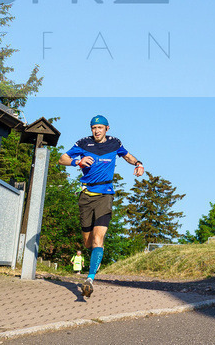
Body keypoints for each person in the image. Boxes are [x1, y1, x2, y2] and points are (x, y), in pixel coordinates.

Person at [59, 115, 144, 298]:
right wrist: (77, 161)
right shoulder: (83, 143)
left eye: (100, 127)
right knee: (88, 241)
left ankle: (89, 279)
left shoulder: (114, 144)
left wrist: (138, 164)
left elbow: (127, 156)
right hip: (86, 196)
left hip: (105, 194)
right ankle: (95, 257)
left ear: (107, 128)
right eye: (93, 127)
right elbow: (62, 159)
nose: (96, 131)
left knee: (99, 239)